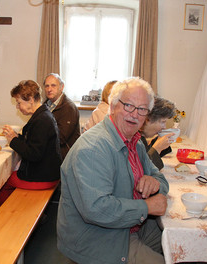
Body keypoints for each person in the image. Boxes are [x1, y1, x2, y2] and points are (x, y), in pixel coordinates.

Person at [57, 77, 169, 264]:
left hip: (131, 225)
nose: (134, 114)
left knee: (181, 248)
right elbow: (97, 210)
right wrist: (147, 207)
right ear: (113, 105)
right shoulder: (93, 148)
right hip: (99, 237)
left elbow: (160, 177)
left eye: (142, 109)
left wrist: (155, 182)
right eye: (128, 106)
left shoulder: (134, 140)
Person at [0, 80, 62, 205]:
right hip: (48, 171)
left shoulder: (42, 120)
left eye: (19, 102)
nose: (17, 106)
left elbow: (34, 154)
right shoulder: (43, 114)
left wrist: (13, 140)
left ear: (31, 100)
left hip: (44, 176)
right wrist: (17, 137)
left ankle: (15, 215)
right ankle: (21, 206)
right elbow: (33, 142)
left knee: (1, 183)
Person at [43, 73, 80, 159]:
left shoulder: (69, 108)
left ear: (61, 87)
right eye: (47, 86)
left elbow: (60, 138)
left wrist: (39, 136)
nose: (49, 89)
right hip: (50, 152)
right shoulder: (46, 104)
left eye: (53, 86)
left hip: (64, 157)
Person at [139, 96, 176, 170]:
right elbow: (142, 171)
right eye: (163, 122)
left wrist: (159, 143)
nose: (164, 127)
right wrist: (157, 148)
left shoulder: (140, 137)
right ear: (147, 119)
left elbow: (145, 156)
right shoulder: (130, 139)